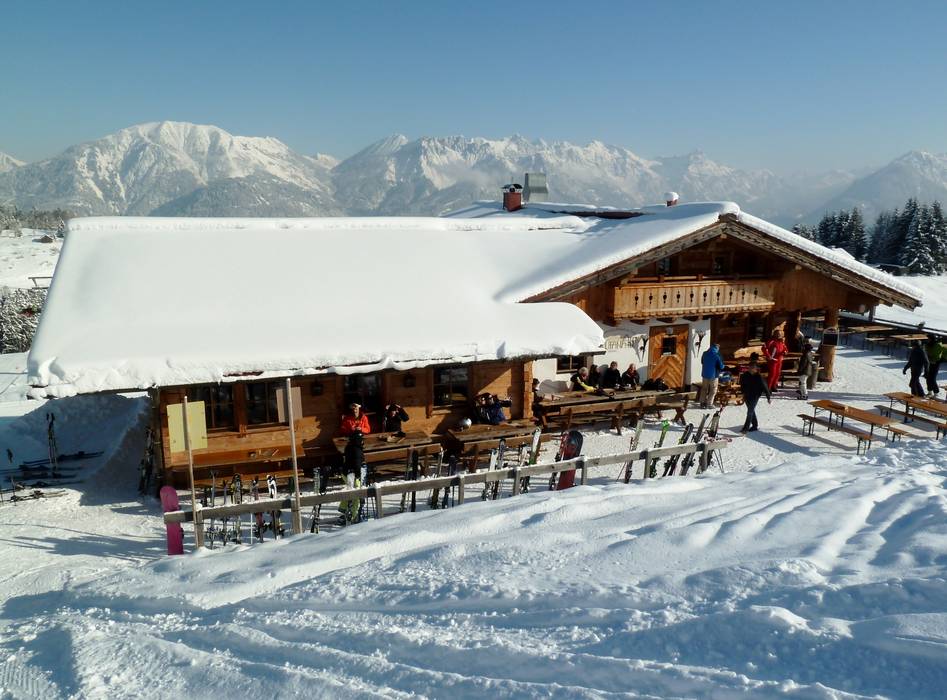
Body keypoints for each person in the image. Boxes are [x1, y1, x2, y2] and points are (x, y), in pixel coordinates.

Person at [739, 362, 771, 433]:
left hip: (755, 396)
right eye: (750, 367)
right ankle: (755, 425)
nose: (751, 369)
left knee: (749, 412)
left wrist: (768, 397)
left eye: (752, 367)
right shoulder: (745, 375)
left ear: (756, 369)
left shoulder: (759, 377)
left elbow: (765, 387)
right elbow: (742, 385)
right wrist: (742, 393)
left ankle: (745, 428)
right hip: (747, 395)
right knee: (751, 410)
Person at [699, 342, 725, 408]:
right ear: (717, 348)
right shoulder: (717, 355)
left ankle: (702, 403)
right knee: (713, 390)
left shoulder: (704, 353)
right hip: (713, 375)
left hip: (705, 374)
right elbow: (721, 366)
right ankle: (709, 404)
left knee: (704, 388)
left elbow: (702, 362)